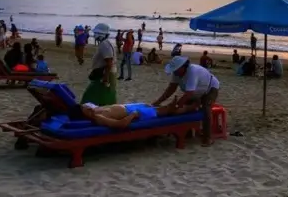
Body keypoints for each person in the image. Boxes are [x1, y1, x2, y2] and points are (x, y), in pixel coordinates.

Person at [152, 56, 220, 146]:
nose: (174, 72)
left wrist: (177, 105)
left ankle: (208, 138)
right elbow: (171, 89)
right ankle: (187, 133)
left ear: (183, 67)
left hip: (210, 88)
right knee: (184, 109)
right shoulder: (177, 73)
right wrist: (158, 102)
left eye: (176, 69)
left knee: (206, 110)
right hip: (196, 92)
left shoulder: (192, 71)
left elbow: (189, 93)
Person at [68, 101, 196, 129]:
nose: (86, 107)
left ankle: (189, 105)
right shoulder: (98, 118)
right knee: (168, 110)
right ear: (83, 114)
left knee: (163, 108)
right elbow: (120, 124)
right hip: (133, 112)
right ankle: (192, 107)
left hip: (130, 106)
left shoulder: (92, 110)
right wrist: (133, 115)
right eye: (84, 109)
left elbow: (85, 105)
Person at [81, 23, 117, 106]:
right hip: (106, 73)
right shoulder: (106, 43)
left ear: (101, 34)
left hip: (104, 74)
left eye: (96, 33)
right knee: (104, 97)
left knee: (93, 97)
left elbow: (109, 62)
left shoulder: (104, 44)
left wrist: (105, 78)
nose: (94, 35)